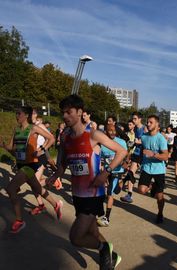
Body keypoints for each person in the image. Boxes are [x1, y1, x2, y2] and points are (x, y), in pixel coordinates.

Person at [46, 95, 127, 269]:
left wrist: (106, 173)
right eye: (63, 113)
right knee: (92, 231)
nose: (65, 116)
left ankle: (104, 248)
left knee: (76, 237)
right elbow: (65, 163)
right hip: (77, 194)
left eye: (69, 112)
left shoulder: (93, 135)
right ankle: (111, 256)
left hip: (93, 194)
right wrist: (55, 176)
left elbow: (121, 152)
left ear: (80, 112)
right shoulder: (66, 138)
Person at [1, 106, 62, 233]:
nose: (17, 116)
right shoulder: (16, 129)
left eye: (19, 113)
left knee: (11, 189)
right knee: (37, 188)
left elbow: (51, 138)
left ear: (27, 115)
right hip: (20, 165)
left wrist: (41, 151)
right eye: (16, 113)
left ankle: (19, 220)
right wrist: (3, 145)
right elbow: (12, 149)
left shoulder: (33, 128)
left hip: (30, 165)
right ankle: (55, 204)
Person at [137, 115, 168, 224]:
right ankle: (152, 186)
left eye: (151, 122)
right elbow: (143, 150)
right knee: (141, 190)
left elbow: (165, 156)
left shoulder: (161, 139)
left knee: (159, 196)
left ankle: (160, 213)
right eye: (147, 122)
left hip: (159, 170)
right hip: (146, 168)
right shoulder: (144, 137)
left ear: (157, 125)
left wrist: (154, 154)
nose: (148, 124)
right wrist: (139, 162)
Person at [97, 124, 127, 227]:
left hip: (117, 171)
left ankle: (107, 218)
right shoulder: (102, 143)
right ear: (105, 131)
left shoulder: (122, 142)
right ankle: (124, 180)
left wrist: (124, 163)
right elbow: (100, 156)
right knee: (116, 190)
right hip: (107, 171)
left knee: (110, 193)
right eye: (110, 131)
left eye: (114, 131)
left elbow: (126, 156)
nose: (113, 132)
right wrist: (101, 165)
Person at [121, 112, 145, 203]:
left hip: (144, 155)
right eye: (133, 118)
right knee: (131, 173)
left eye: (135, 119)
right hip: (136, 153)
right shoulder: (135, 129)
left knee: (143, 178)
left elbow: (149, 141)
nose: (133, 120)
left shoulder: (145, 129)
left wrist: (140, 142)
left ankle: (151, 185)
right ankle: (129, 194)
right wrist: (133, 143)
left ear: (140, 119)